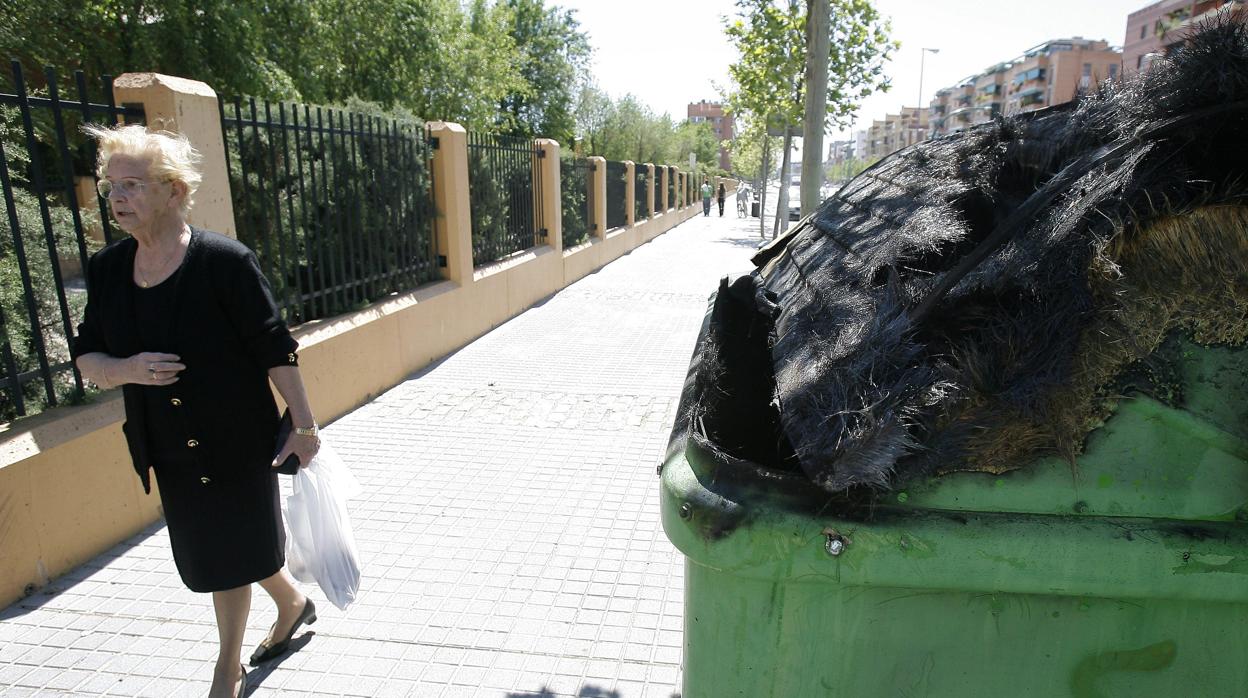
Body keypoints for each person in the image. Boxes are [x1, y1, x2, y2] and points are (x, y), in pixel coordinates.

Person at [72, 124, 321, 698]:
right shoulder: (109, 269)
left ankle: (225, 672)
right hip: (166, 442)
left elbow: (273, 346)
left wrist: (305, 424)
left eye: (132, 185)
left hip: (236, 439)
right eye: (112, 187)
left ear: (173, 191)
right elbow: (86, 354)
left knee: (227, 556)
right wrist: (126, 369)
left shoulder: (224, 262)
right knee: (225, 546)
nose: (118, 198)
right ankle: (292, 602)